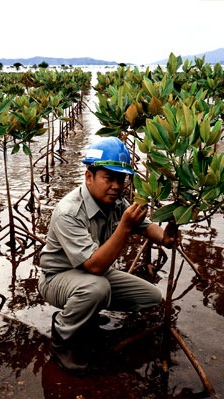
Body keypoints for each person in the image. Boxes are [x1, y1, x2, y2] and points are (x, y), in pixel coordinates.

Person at [38, 136, 178, 373]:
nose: (116, 185)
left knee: (151, 296)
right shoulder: (68, 212)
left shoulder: (116, 201)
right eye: (109, 178)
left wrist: (165, 238)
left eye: (121, 179)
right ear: (89, 177)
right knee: (96, 288)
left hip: (92, 276)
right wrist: (124, 227)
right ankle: (63, 339)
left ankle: (87, 315)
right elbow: (94, 266)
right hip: (58, 278)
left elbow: (144, 225)